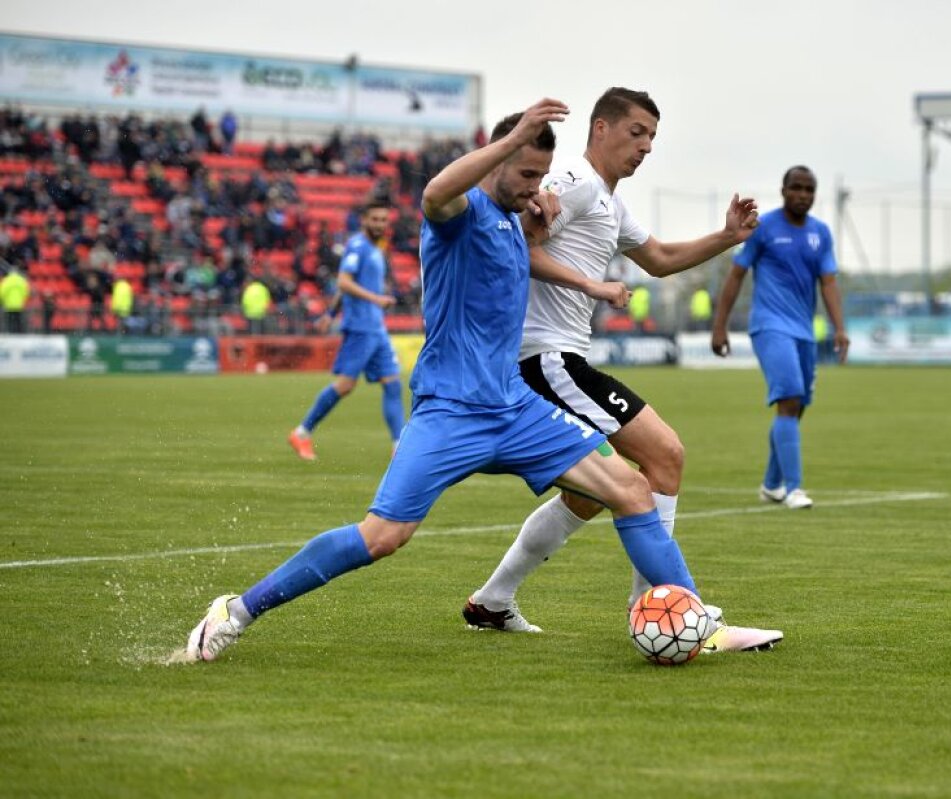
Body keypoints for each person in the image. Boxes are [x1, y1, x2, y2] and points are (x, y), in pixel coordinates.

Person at [185, 98, 718, 663]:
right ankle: (237, 610)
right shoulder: (456, 217)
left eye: (541, 176)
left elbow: (539, 256)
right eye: (525, 174)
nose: (536, 188)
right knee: (382, 537)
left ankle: (698, 621)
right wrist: (510, 146)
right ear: (494, 161)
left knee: (631, 492)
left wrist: (585, 279)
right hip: (450, 411)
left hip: (515, 409)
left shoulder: (517, 222)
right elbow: (434, 192)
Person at [464, 87, 780, 653]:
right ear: (601, 129)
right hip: (547, 359)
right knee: (664, 455)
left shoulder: (610, 201)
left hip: (560, 360)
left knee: (589, 496)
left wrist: (727, 237)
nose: (647, 147)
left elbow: (658, 260)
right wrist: (583, 273)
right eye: (637, 133)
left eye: (654, 137)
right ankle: (665, 611)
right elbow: (520, 246)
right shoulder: (575, 184)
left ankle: (492, 601)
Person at [710, 165, 849, 510]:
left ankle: (772, 484)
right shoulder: (763, 228)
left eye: (809, 189)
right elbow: (736, 275)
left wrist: (840, 328)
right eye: (796, 188)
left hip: (803, 330)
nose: (803, 195)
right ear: (783, 190)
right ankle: (794, 489)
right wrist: (719, 325)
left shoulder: (821, 233)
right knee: (789, 400)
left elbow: (829, 282)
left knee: (796, 407)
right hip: (770, 326)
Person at [287, 198, 405, 460]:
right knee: (345, 385)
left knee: (393, 384)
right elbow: (343, 281)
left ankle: (399, 446)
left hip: (376, 327)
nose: (379, 224)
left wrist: (330, 313)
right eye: (374, 219)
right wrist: (376, 299)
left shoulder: (377, 248)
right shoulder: (358, 246)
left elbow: (343, 287)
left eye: (384, 220)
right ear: (364, 220)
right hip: (361, 327)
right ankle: (302, 432)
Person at [1, 263, 30, 333]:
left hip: (8, 305)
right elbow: (26, 292)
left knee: (9, 321)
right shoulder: (22, 281)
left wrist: (2, 302)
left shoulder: (6, 281)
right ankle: (18, 332)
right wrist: (23, 300)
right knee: (18, 320)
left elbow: (2, 293)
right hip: (19, 305)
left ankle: (10, 332)